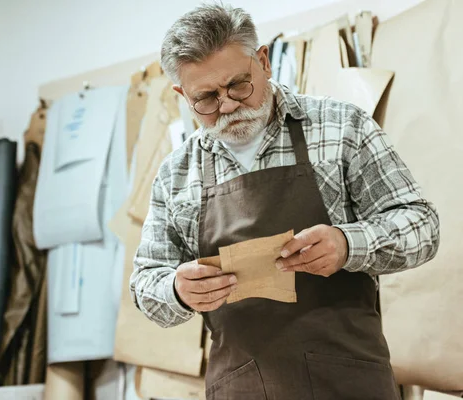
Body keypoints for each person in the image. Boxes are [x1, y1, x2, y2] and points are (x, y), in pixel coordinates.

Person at [129, 3, 440, 399]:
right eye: (205, 98)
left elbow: (422, 226)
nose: (227, 106)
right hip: (241, 386)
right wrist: (175, 289)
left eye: (238, 85)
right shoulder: (177, 173)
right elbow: (145, 284)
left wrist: (348, 245)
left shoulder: (341, 126)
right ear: (181, 94)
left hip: (349, 382)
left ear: (263, 61)